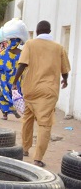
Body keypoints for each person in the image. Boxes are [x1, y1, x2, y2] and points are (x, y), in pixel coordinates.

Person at [13, 21, 71, 167]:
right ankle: (38, 158)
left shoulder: (30, 45)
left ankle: (25, 149)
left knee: (27, 118)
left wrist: (15, 81)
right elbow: (65, 70)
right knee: (44, 124)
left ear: (37, 31)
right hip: (49, 91)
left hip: (30, 89)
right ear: (49, 31)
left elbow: (22, 64)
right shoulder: (59, 48)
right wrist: (65, 80)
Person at [0, 36, 23, 120]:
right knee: (15, 95)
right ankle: (14, 109)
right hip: (16, 79)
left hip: (4, 79)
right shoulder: (22, 53)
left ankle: (5, 115)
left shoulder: (3, 53)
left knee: (2, 95)